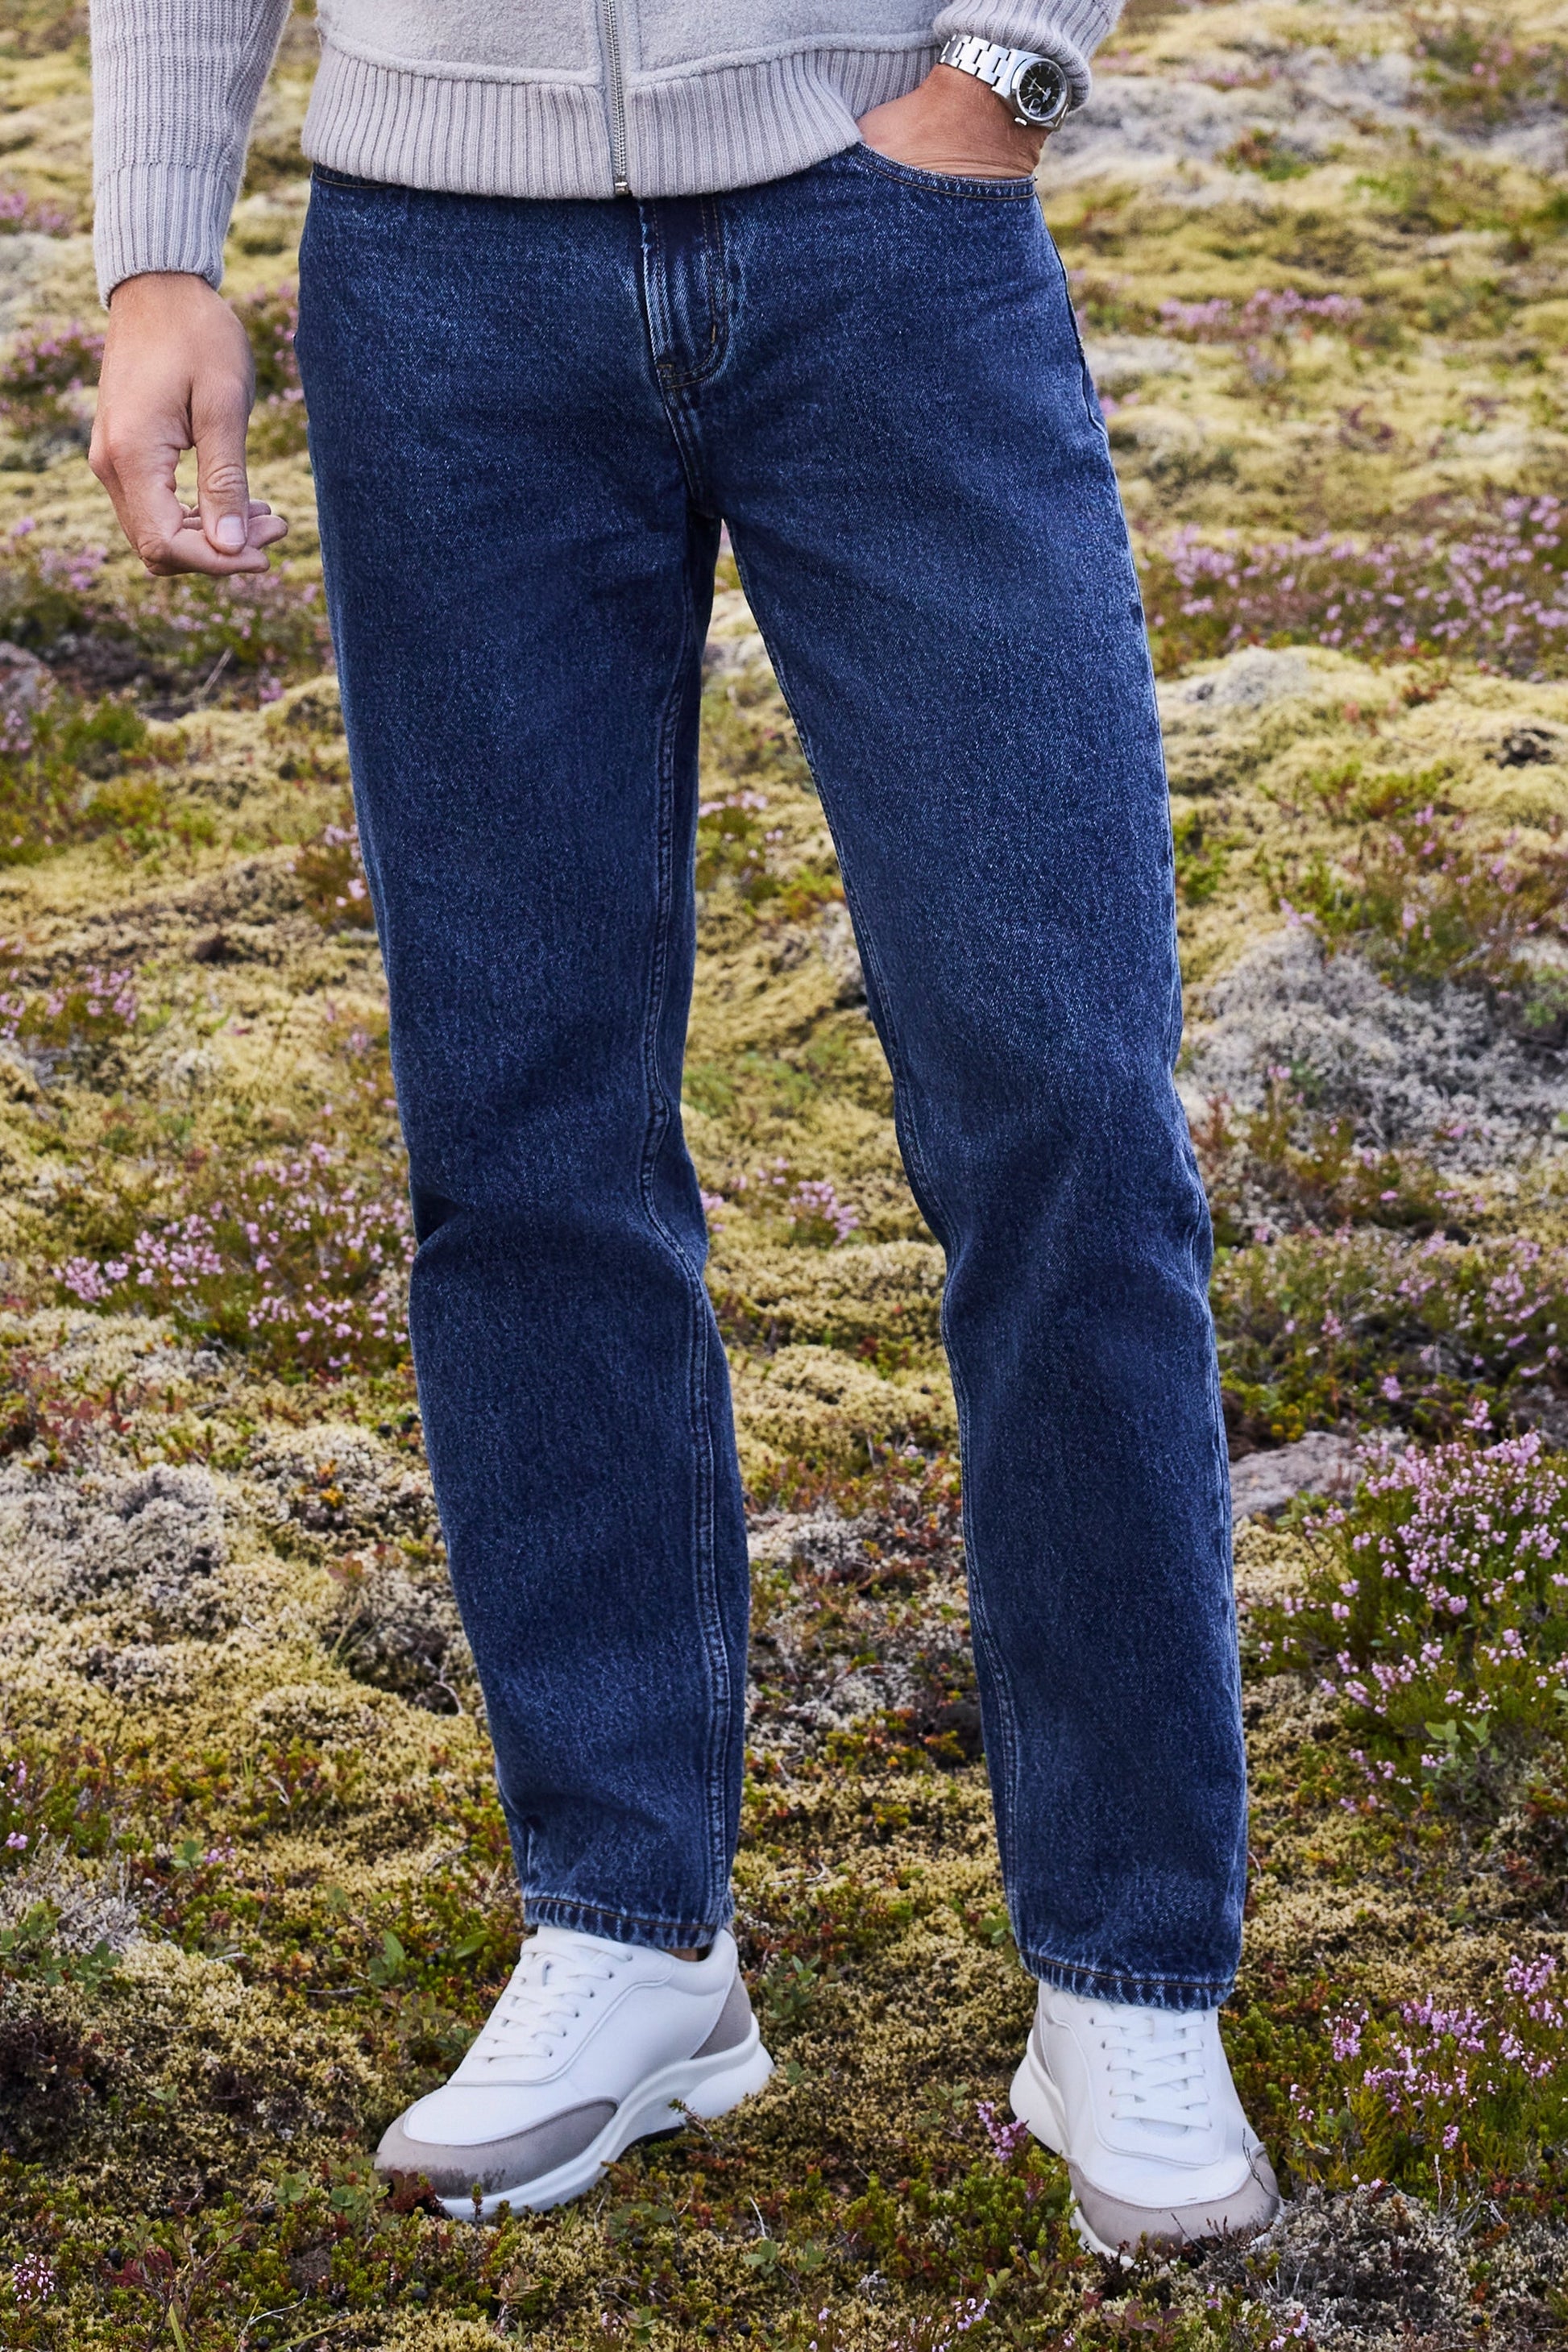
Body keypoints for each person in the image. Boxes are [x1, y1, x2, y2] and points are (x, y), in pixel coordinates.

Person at [88, 0, 1280, 2257]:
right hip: (439, 279)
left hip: (884, 230)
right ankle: (628, 1929)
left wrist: (1002, 76)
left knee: (1063, 1098)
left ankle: (1129, 1968)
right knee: (519, 1122)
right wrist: (160, 246)